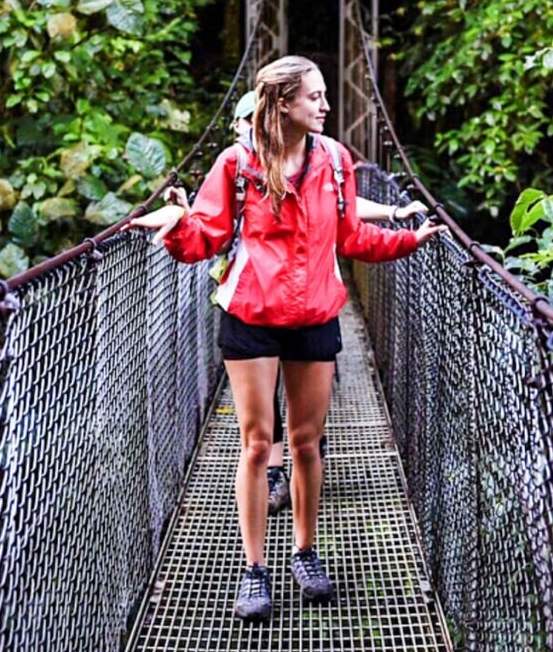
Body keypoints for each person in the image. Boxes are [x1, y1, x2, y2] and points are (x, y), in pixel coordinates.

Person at [129, 58, 444, 621]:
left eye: (325, 96)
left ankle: (305, 551)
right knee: (255, 443)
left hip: (315, 313)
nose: (326, 106)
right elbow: (207, 235)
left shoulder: (335, 161)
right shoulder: (236, 163)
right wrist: (176, 224)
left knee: (304, 443)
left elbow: (351, 236)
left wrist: (406, 241)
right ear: (282, 105)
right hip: (251, 314)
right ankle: (254, 570)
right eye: (314, 97)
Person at [226, 89, 427, 515]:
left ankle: (301, 466)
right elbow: (207, 220)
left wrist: (395, 218)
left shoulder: (321, 163)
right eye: (242, 123)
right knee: (261, 421)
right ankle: (276, 476)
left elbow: (344, 213)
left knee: (305, 415)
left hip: (311, 300)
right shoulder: (237, 164)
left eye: (250, 121)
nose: (246, 131)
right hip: (252, 301)